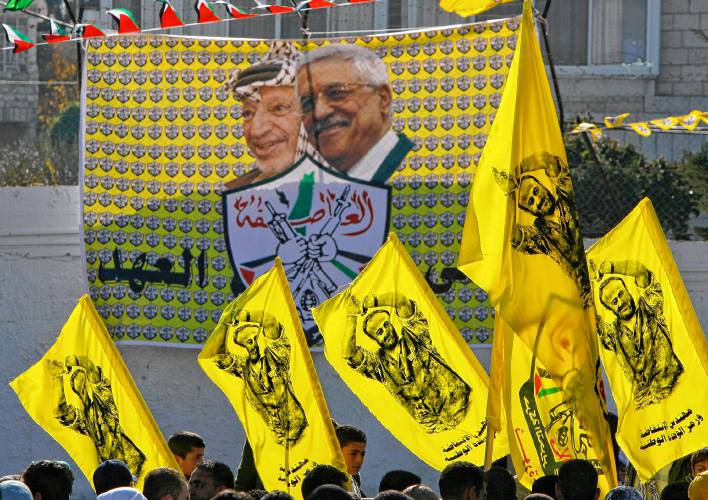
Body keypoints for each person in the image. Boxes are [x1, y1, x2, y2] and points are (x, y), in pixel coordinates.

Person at [343, 292, 470, 433]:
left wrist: (373, 301)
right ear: (375, 340)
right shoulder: (378, 366)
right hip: (433, 427)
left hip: (462, 406)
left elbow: (402, 302)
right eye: (380, 332)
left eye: (386, 325)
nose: (387, 331)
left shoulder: (415, 335)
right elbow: (349, 354)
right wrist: (351, 317)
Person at [296, 43, 413, 182]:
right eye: (306, 103)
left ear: (383, 99)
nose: (319, 113)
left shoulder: (420, 174)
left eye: (336, 93)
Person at [494, 152, 591, 307]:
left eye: (536, 191)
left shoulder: (566, 196)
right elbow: (513, 237)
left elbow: (548, 161)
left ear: (543, 186)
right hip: (583, 299)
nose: (538, 200)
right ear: (529, 211)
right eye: (531, 202)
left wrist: (518, 169)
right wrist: (510, 195)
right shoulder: (540, 236)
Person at [227, 41, 321, 189]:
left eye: (278, 108)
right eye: (248, 113)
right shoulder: (233, 193)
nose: (256, 131)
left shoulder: (353, 192)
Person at [592, 260, 683, 409]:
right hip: (646, 409)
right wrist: (586, 278)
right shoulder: (612, 336)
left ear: (628, 290)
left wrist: (610, 267)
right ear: (610, 309)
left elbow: (641, 271)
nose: (620, 302)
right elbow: (590, 313)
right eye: (614, 302)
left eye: (621, 294)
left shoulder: (650, 307)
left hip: (678, 390)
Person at [210, 308, 307, 445]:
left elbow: (270, 321)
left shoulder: (277, 355)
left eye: (253, 339)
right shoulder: (243, 368)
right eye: (245, 342)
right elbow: (217, 355)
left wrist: (244, 315)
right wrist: (225, 324)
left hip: (299, 427)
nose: (251, 345)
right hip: (274, 437)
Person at [47, 356, 146, 477]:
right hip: (110, 475)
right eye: (76, 384)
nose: (80, 385)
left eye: (82, 379)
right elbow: (60, 412)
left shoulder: (106, 406)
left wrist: (76, 361)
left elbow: (94, 374)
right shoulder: (85, 421)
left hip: (133, 467)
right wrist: (57, 378)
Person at [335, 425, 367, 498]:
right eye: (353, 453)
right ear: (337, 452)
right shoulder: (326, 484)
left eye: (362, 454)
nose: (359, 460)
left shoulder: (353, 480)